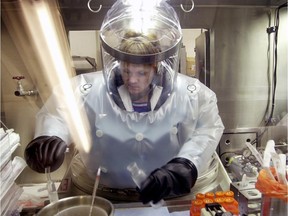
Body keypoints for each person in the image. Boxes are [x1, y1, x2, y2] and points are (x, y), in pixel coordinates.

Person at [24, 0, 224, 204]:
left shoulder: (193, 94)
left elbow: (208, 128)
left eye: (141, 73)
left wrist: (186, 164)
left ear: (156, 68)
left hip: (171, 197)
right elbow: (58, 113)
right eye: (126, 70)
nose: (132, 79)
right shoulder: (86, 89)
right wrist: (50, 137)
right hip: (101, 193)